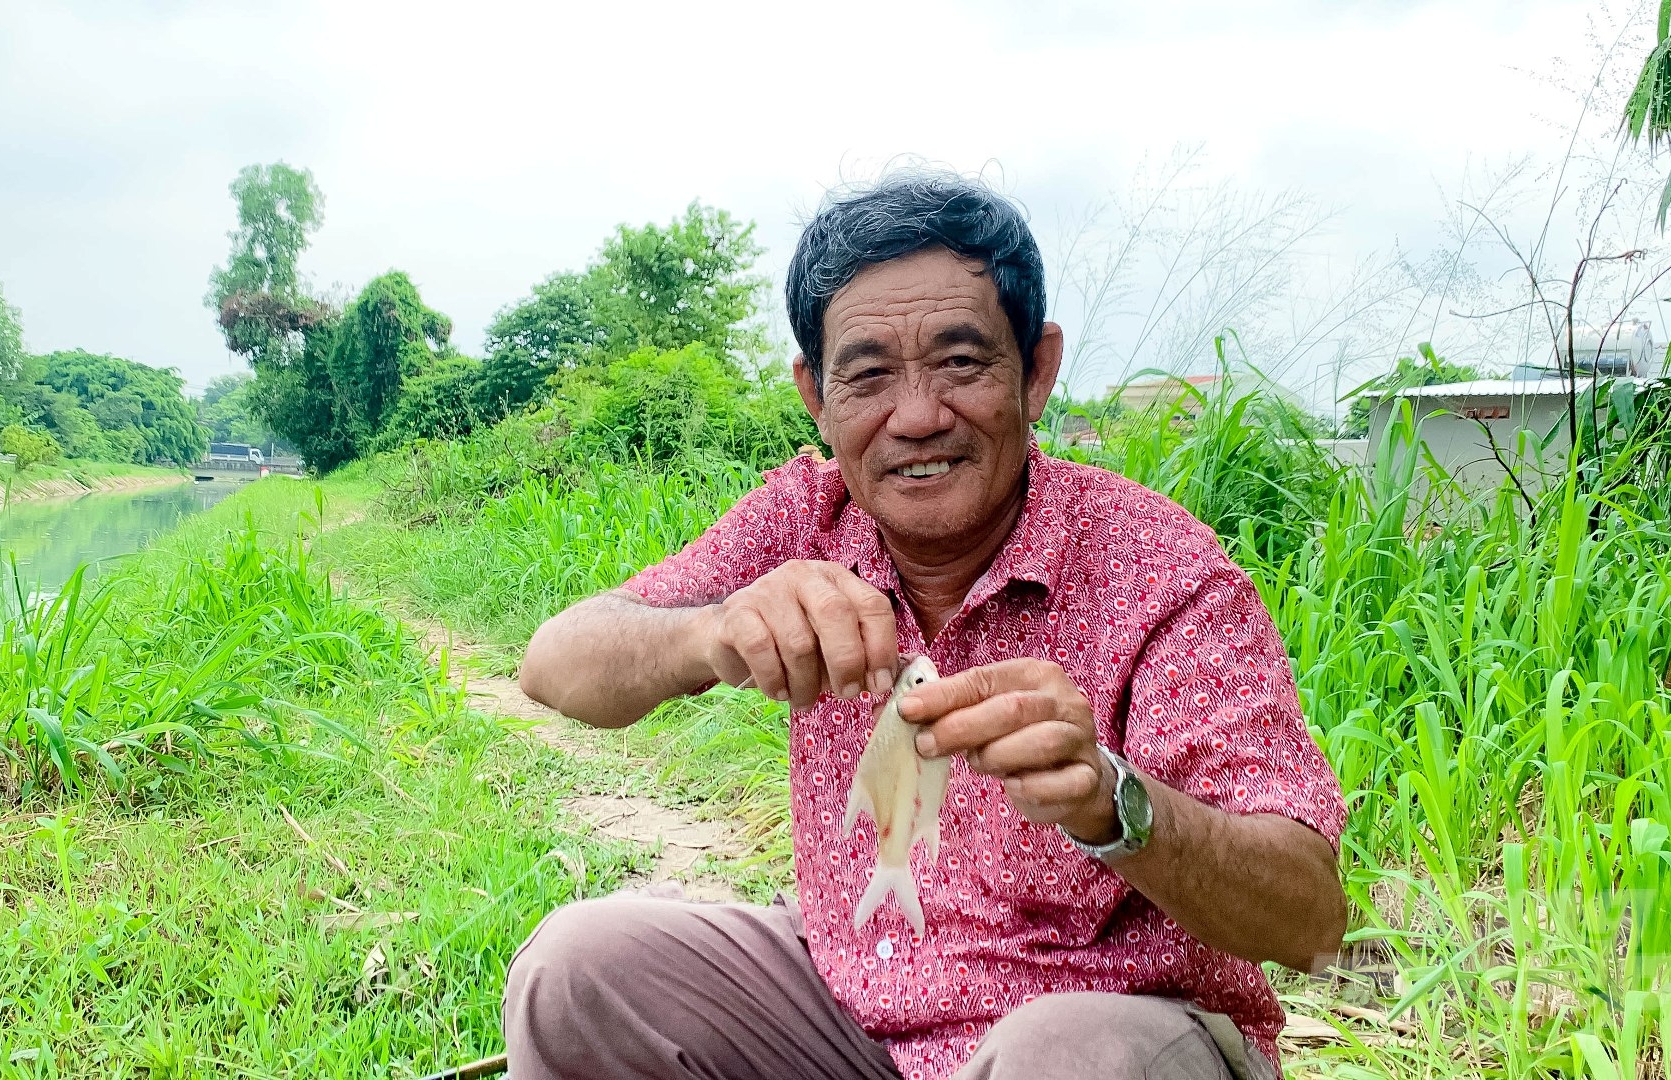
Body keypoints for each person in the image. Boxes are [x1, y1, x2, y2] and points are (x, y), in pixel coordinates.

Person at [507, 171, 1348, 1080]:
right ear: (815, 397)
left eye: (961, 363)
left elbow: (1309, 921)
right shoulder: (804, 518)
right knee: (578, 969)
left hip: (1116, 1035)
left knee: (1064, 1059)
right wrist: (710, 633)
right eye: (867, 376)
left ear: (1036, 372)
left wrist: (1115, 801)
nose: (916, 417)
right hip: (857, 1011)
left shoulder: (1158, 567)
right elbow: (555, 663)